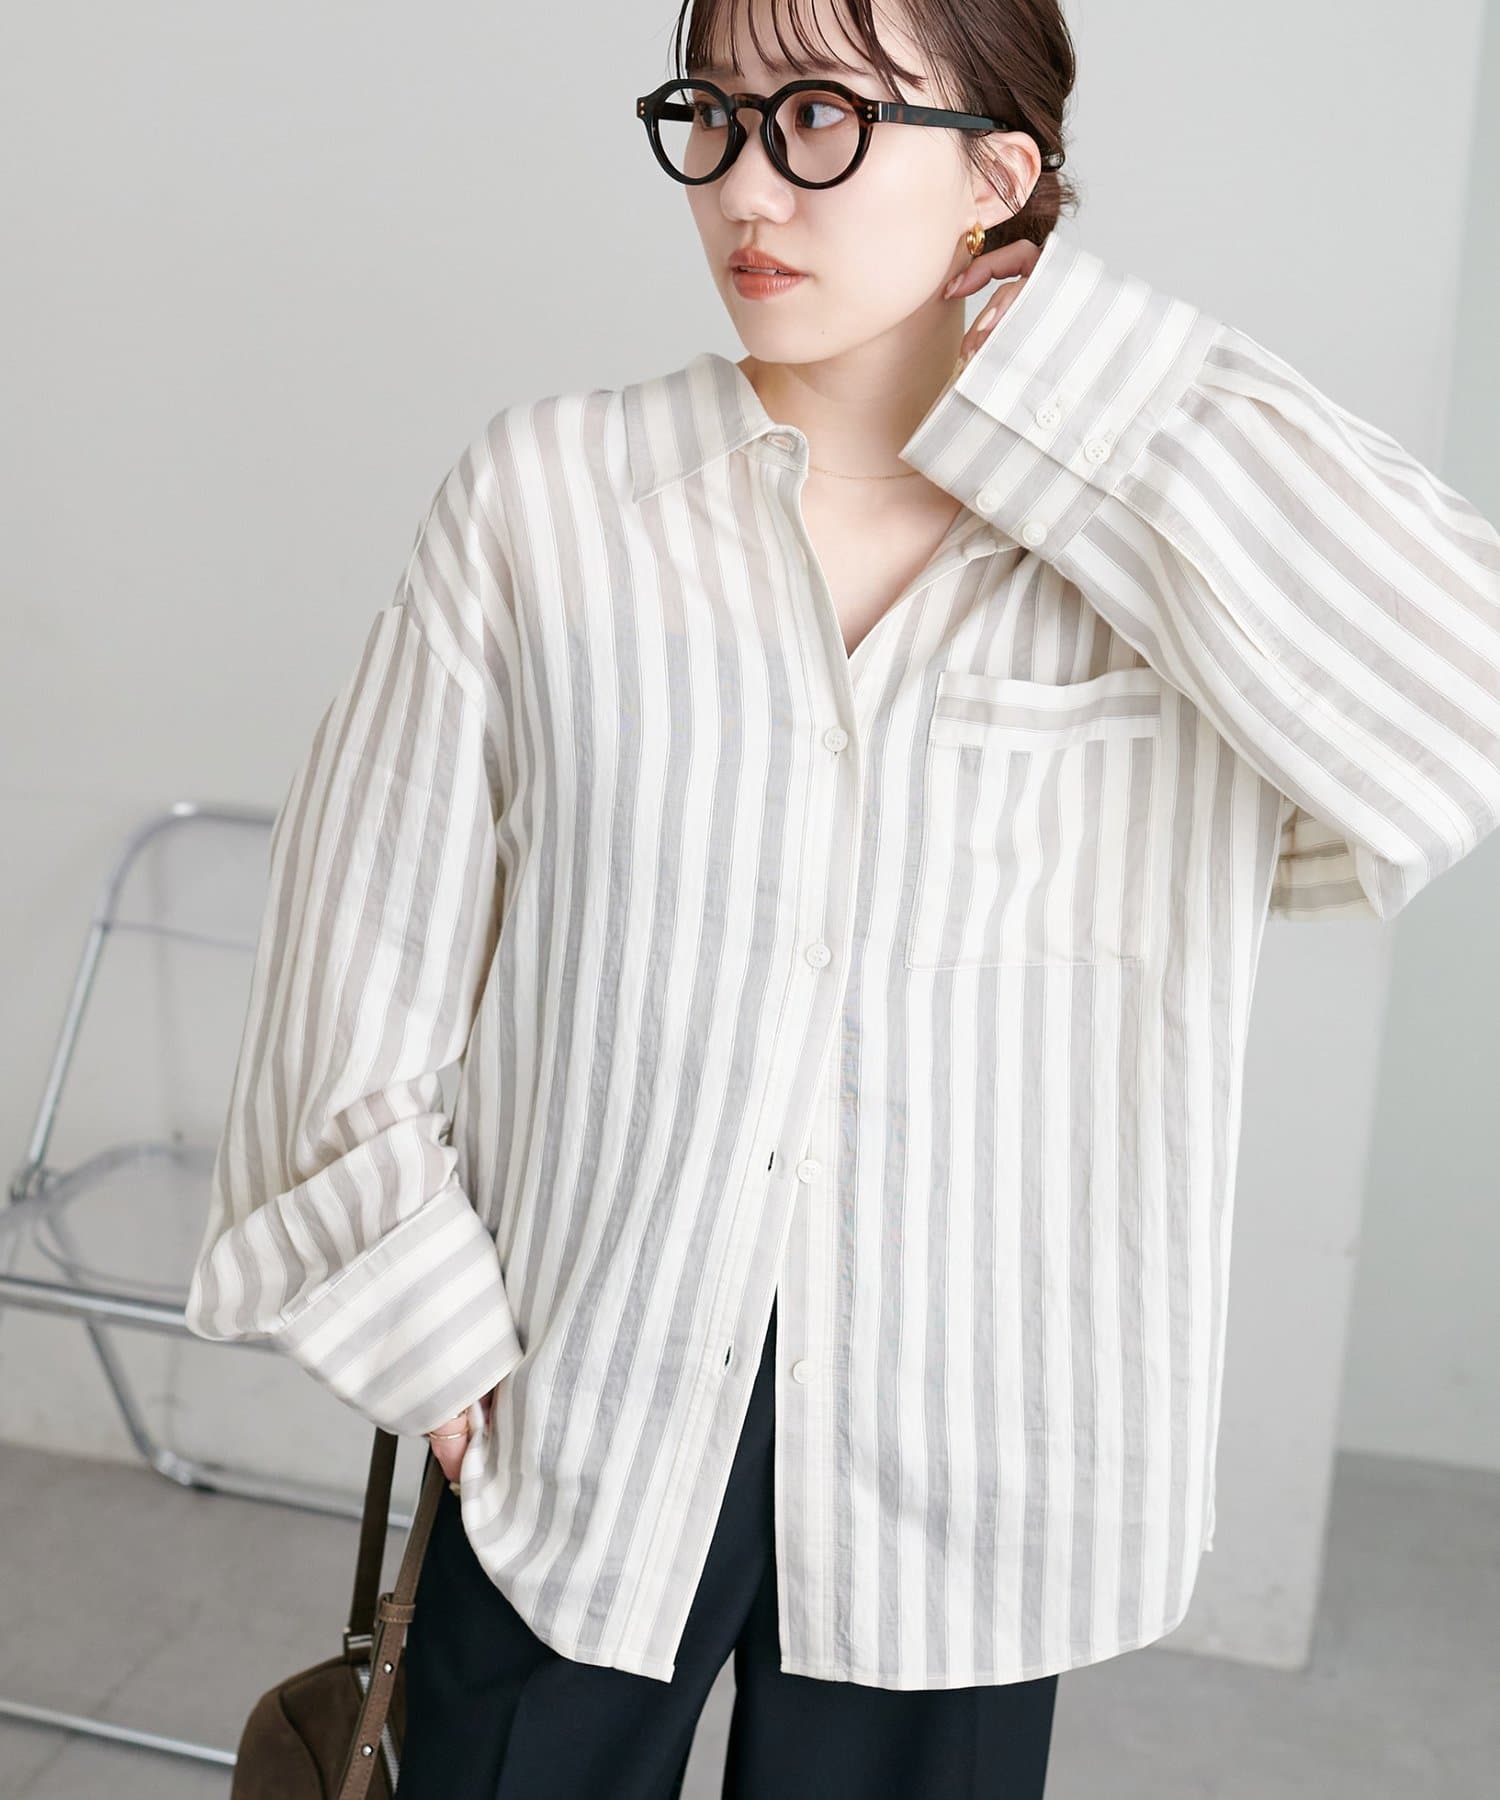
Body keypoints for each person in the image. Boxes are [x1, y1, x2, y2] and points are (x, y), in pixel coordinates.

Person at [184, 0, 1500, 1794]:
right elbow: (356, 948)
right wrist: (425, 1334)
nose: (747, 185)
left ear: (999, 175)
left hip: (974, 1440)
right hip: (585, 1393)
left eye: (821, 118)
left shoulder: (1160, 566)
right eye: (712, 115)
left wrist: (1073, 376)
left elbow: (1446, 719)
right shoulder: (548, 500)